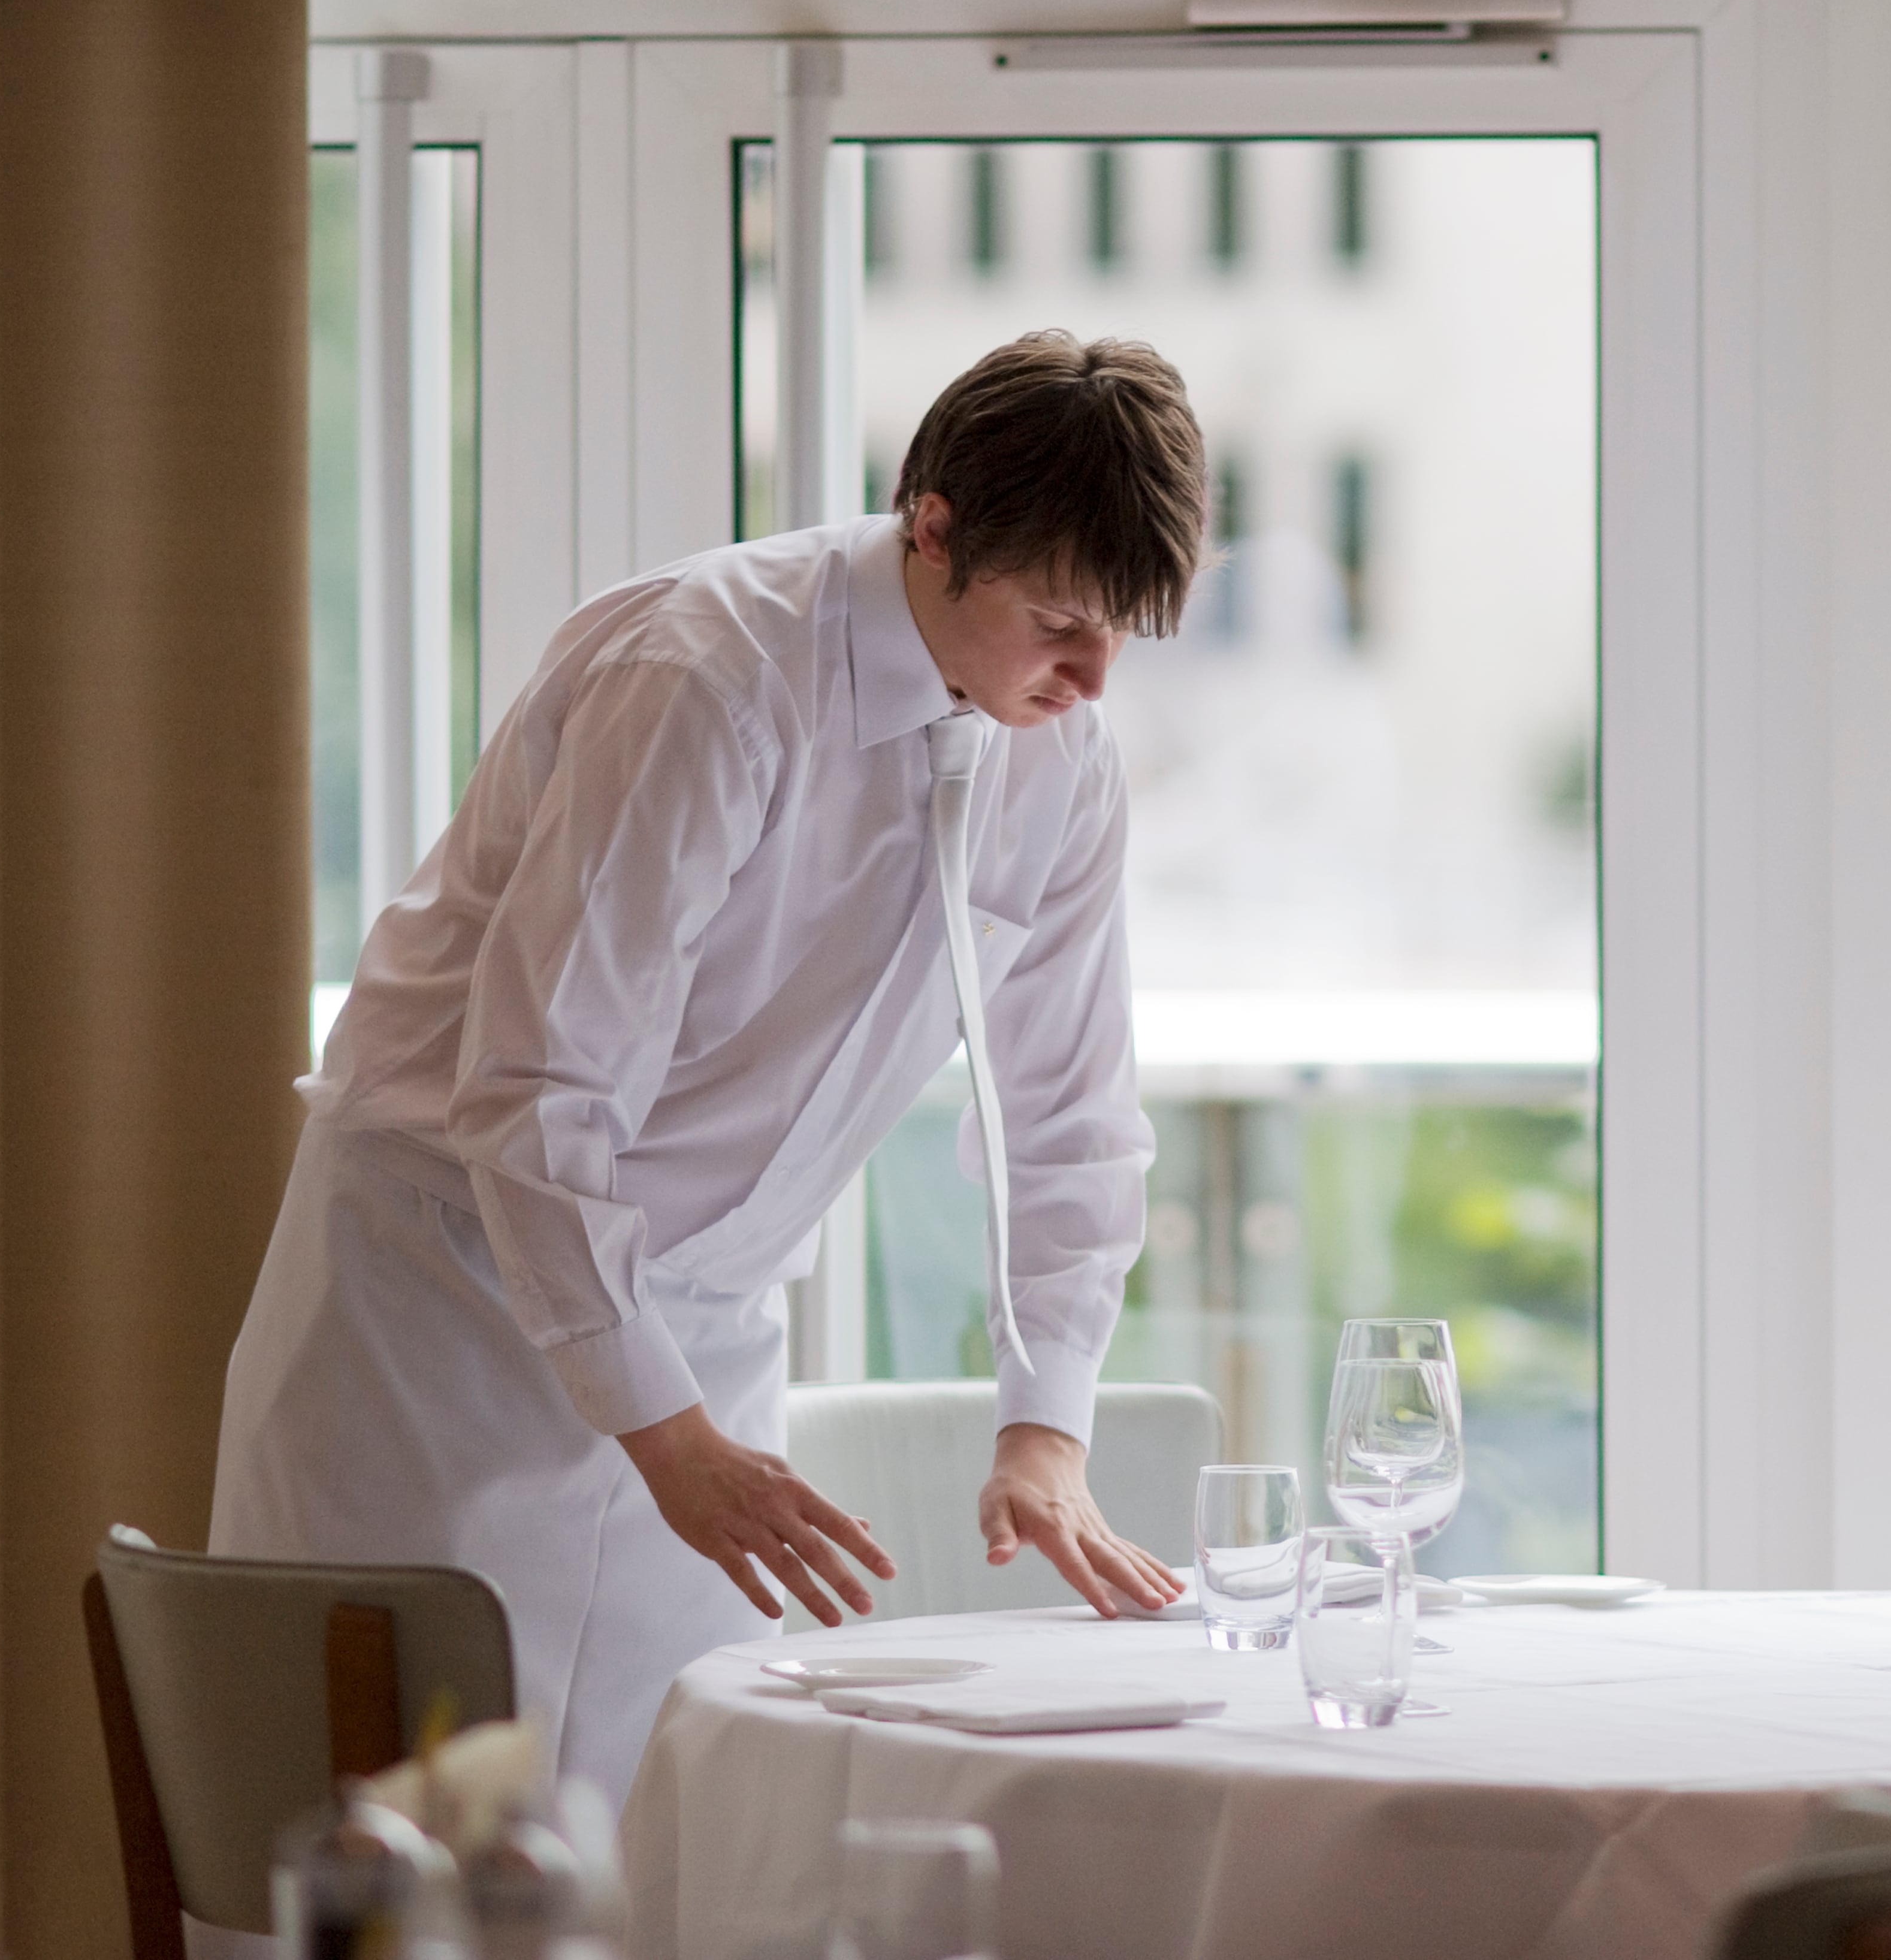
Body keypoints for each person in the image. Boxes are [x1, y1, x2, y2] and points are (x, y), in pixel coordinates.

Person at [211, 331, 1200, 1801]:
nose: (1093, 675)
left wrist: (1045, 1423)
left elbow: (1072, 1118)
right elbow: (543, 1089)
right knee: (390, 1830)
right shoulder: (710, 674)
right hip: (441, 1297)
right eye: (1061, 616)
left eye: (1125, 629)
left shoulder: (1060, 757)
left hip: (712, 1322)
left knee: (677, 1832)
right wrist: (668, 1443)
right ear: (930, 527)